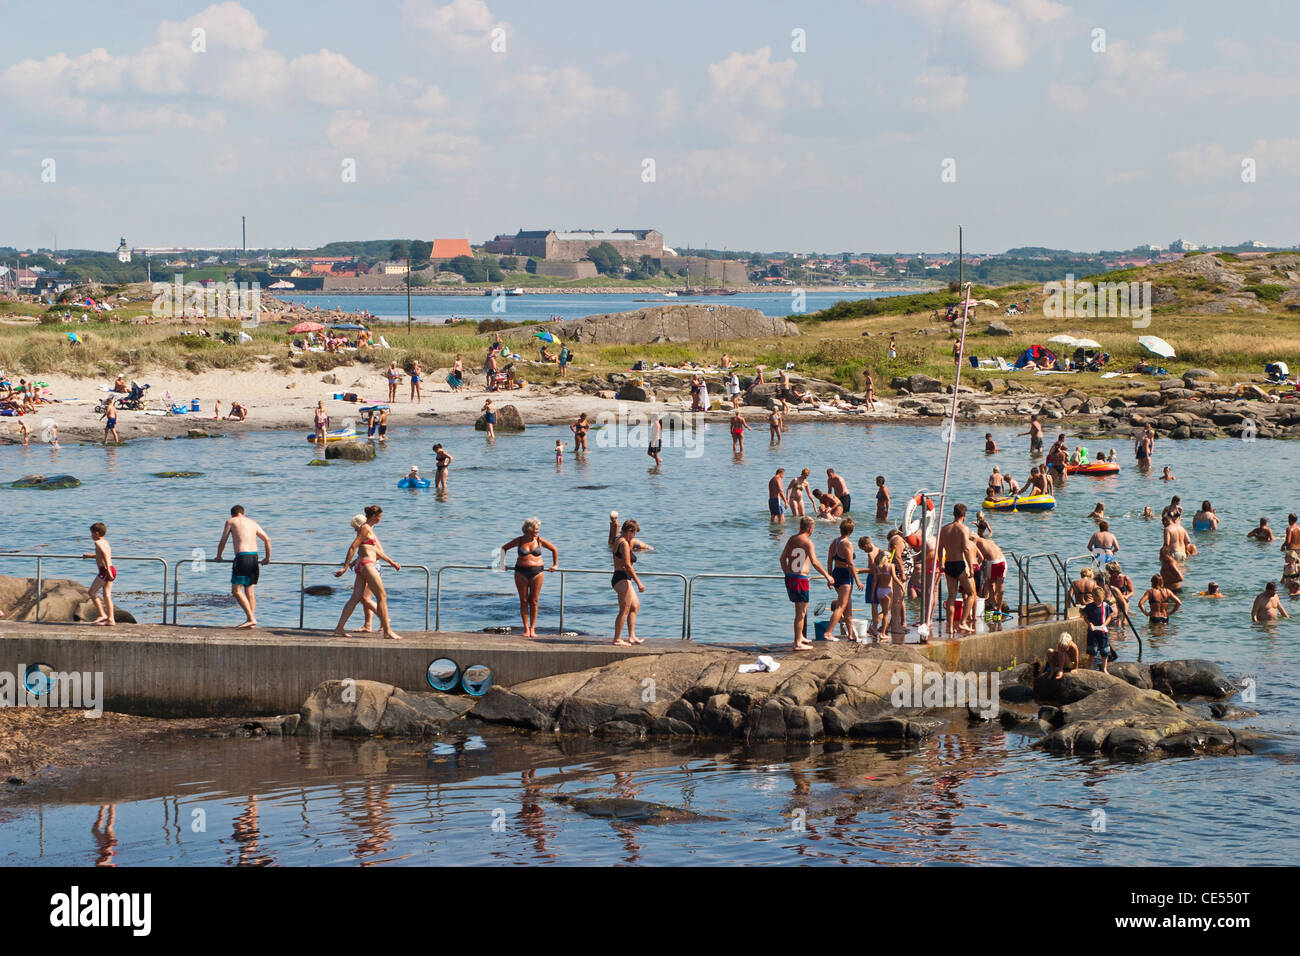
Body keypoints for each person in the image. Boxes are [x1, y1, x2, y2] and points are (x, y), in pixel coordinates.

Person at [333, 505, 402, 640]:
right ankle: (387, 631)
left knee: (356, 597)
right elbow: (353, 546)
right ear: (374, 516)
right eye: (380, 516)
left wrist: (392, 563)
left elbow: (373, 550)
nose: (381, 519)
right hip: (368, 565)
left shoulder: (367, 529)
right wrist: (345, 566)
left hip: (362, 566)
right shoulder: (365, 528)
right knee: (382, 596)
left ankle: (339, 628)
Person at [781, 516, 834, 651]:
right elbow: (815, 562)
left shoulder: (792, 539)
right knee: (801, 612)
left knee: (801, 610)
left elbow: (782, 559)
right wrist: (827, 576)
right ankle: (797, 642)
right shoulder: (808, 542)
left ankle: (800, 636)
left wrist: (787, 572)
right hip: (801, 579)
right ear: (810, 528)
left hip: (790, 577)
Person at [500, 518, 558, 639]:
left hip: (537, 572)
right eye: (535, 530)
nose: (537, 532)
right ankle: (526, 629)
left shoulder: (539, 540)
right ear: (528, 529)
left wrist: (555, 564)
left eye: (538, 530)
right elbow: (503, 548)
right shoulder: (519, 540)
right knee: (524, 601)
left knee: (534, 601)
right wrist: (502, 564)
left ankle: (533, 628)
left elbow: (554, 549)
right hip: (521, 572)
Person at [215, 505, 271, 629]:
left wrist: (218, 556)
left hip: (242, 557)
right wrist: (267, 558)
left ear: (232, 514)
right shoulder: (253, 522)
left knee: (236, 591)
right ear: (243, 513)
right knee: (249, 591)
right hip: (254, 557)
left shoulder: (231, 521)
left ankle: (251, 619)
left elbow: (223, 540)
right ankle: (251, 621)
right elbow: (267, 539)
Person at [938, 503, 977, 634]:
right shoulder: (963, 528)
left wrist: (941, 565)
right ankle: (963, 622)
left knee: (951, 597)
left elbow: (940, 549)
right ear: (964, 515)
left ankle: (949, 628)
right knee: (971, 594)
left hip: (948, 564)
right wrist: (971, 567)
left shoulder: (944, 529)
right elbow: (966, 548)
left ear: (954, 514)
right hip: (959, 564)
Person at [825, 518, 863, 641]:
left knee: (848, 604)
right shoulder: (847, 544)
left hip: (836, 573)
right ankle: (828, 632)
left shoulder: (834, 542)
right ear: (851, 530)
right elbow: (851, 564)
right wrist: (858, 580)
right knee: (841, 605)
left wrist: (830, 576)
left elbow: (830, 560)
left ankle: (851, 633)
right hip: (845, 575)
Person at [611, 518, 646, 646]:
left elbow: (612, 536)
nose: (634, 536)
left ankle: (631, 636)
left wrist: (613, 524)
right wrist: (639, 582)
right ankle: (617, 639)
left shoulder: (617, 540)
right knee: (624, 609)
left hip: (623, 578)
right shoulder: (624, 543)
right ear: (629, 531)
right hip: (621, 578)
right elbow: (627, 565)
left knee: (634, 606)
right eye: (634, 533)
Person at [83, 522, 115, 626]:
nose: (91, 536)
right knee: (107, 595)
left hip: (105, 571)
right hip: (111, 569)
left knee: (91, 592)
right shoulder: (105, 542)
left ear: (96, 533)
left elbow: (105, 555)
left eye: (91, 533)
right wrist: (91, 556)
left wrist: (108, 570)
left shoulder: (98, 543)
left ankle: (103, 615)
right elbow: (102, 554)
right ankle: (111, 620)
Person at [974, 531, 1007, 620]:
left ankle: (992, 603)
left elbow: (976, 557)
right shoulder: (989, 541)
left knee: (988, 583)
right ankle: (998, 610)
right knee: (1000, 587)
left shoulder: (975, 542)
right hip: (1003, 560)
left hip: (993, 563)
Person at [1082, 589, 1112, 673]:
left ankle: (1104, 668)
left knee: (1105, 650)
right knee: (1092, 650)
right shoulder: (1089, 607)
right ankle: (1090, 666)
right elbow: (1085, 617)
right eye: (1096, 599)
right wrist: (1090, 624)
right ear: (1093, 597)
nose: (1098, 601)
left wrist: (1104, 624)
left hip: (1103, 630)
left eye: (1100, 600)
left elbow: (1110, 616)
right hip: (1093, 630)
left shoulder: (1106, 606)